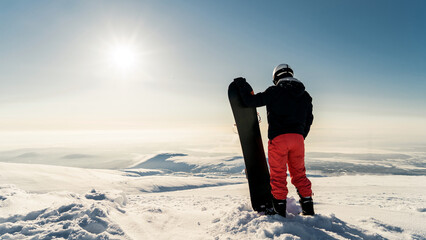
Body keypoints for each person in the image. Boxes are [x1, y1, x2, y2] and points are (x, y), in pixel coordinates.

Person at [233, 64, 314, 217]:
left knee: (278, 176)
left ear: (276, 77)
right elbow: (309, 119)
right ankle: (309, 211)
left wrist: (241, 86)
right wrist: (301, 135)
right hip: (298, 139)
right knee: (299, 174)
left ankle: (279, 213)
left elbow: (250, 102)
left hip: (279, 138)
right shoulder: (305, 95)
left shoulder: (274, 91)